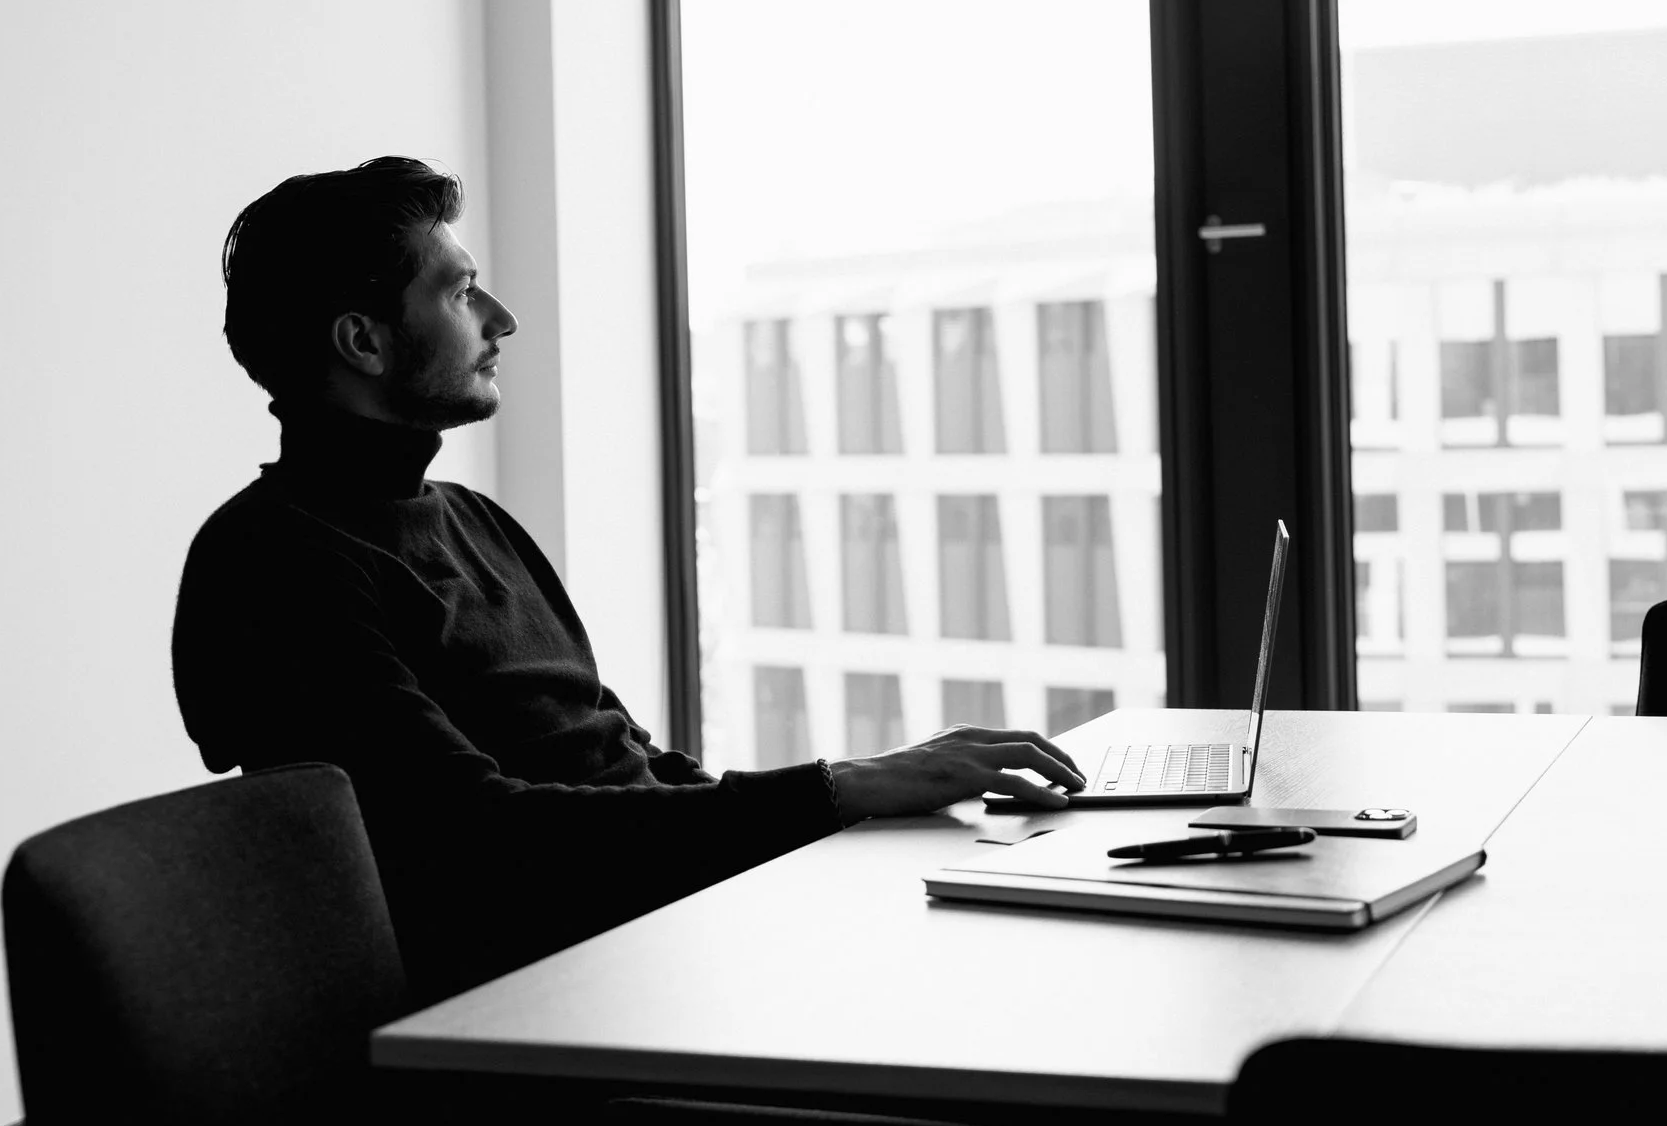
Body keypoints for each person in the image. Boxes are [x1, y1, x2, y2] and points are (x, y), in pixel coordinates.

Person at [173, 158, 1085, 1002]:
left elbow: (627, 765)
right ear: (363, 341)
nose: (501, 318)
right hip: (542, 1010)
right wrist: (836, 788)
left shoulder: (474, 519)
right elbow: (481, 837)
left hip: (648, 942)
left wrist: (840, 814)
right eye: (458, 290)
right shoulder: (272, 564)